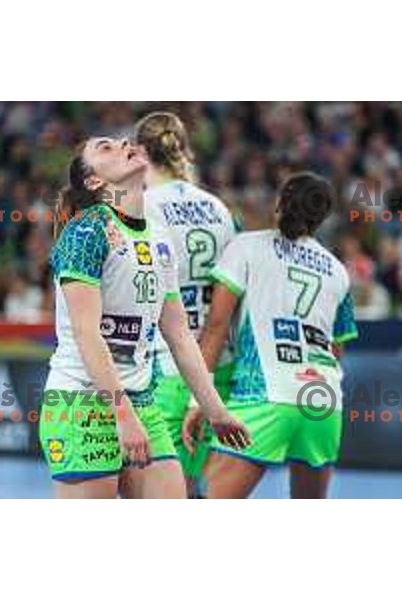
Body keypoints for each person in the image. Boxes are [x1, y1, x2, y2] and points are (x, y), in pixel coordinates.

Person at [39, 137, 250, 499]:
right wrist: (122, 418)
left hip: (141, 401)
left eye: (121, 141)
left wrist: (214, 409)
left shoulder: (159, 236)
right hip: (81, 403)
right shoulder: (86, 231)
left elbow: (180, 335)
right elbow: (88, 334)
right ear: (93, 182)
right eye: (105, 148)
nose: (122, 143)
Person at [186, 172, 358, 499]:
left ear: (279, 203)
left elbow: (216, 326)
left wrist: (199, 402)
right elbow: (336, 351)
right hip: (323, 402)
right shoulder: (338, 270)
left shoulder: (246, 247)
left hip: (264, 396)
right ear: (322, 217)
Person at [136, 112, 238, 496]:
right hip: (217, 367)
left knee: (157, 489)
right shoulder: (219, 209)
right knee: (199, 488)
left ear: (142, 153)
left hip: (163, 365)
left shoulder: (142, 206)